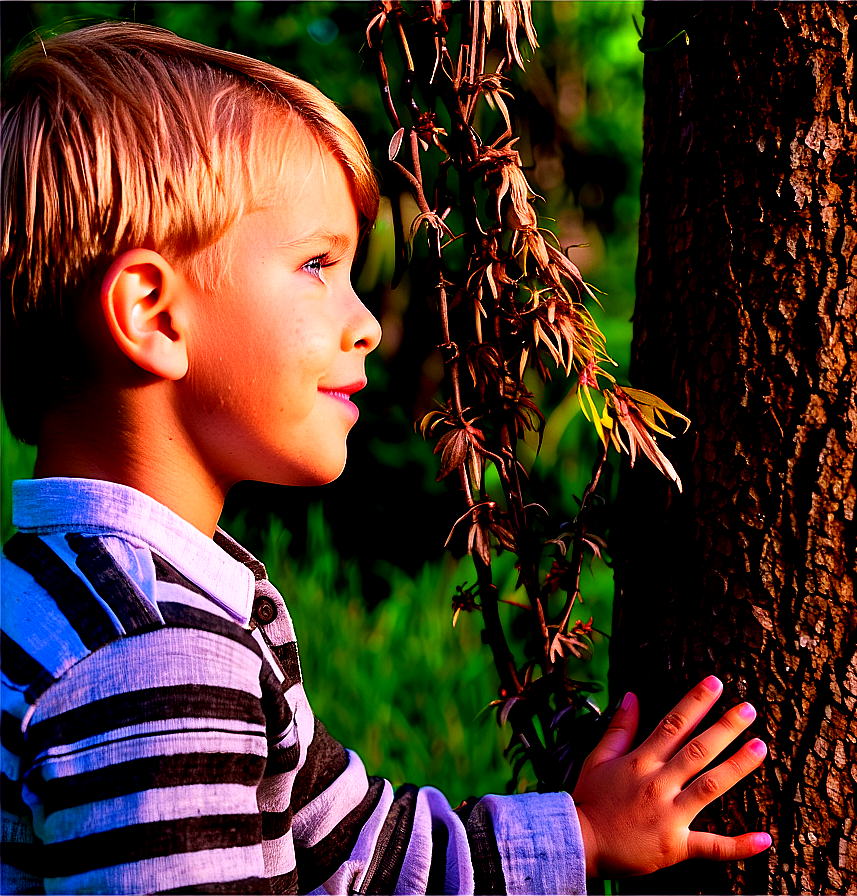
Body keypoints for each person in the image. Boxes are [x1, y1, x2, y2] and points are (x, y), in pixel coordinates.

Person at [0, 22, 772, 895]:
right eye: (318, 265)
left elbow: (354, 857)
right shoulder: (156, 658)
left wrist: (582, 835)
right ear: (153, 313)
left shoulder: (79, 598)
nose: (364, 320)